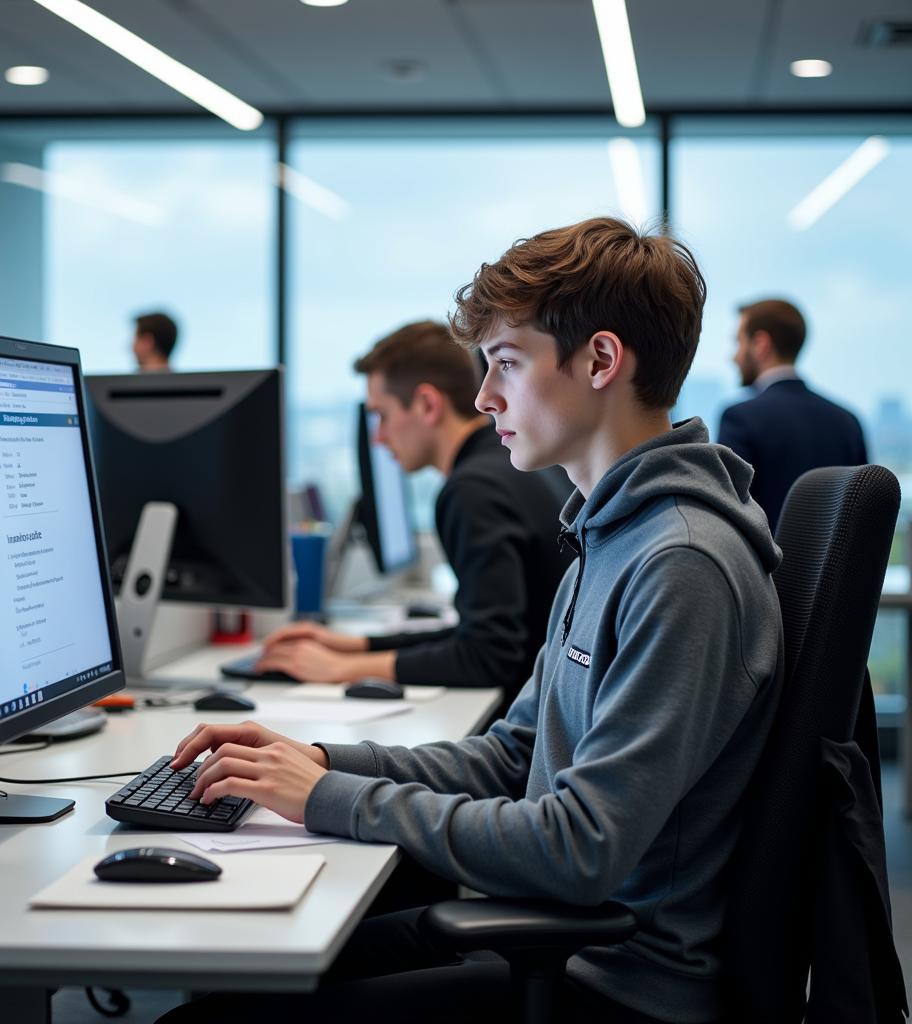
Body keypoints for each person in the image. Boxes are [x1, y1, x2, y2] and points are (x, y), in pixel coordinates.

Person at [158, 218, 784, 1024]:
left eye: (506, 364)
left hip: (616, 982)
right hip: (563, 938)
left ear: (600, 360)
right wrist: (316, 759)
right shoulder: (607, 532)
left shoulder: (680, 561)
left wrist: (326, 796)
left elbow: (581, 846)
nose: (483, 397)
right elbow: (513, 756)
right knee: (249, 978)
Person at [258, 320, 570, 710]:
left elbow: (488, 656)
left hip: (526, 733)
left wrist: (341, 669)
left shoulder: (472, 490)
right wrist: (359, 646)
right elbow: (483, 633)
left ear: (427, 404)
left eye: (382, 415)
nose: (378, 437)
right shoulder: (511, 465)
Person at [717, 298, 867, 532]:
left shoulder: (740, 419)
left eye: (738, 342)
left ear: (761, 344)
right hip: (837, 569)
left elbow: (729, 517)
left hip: (765, 568)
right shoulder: (848, 422)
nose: (734, 357)